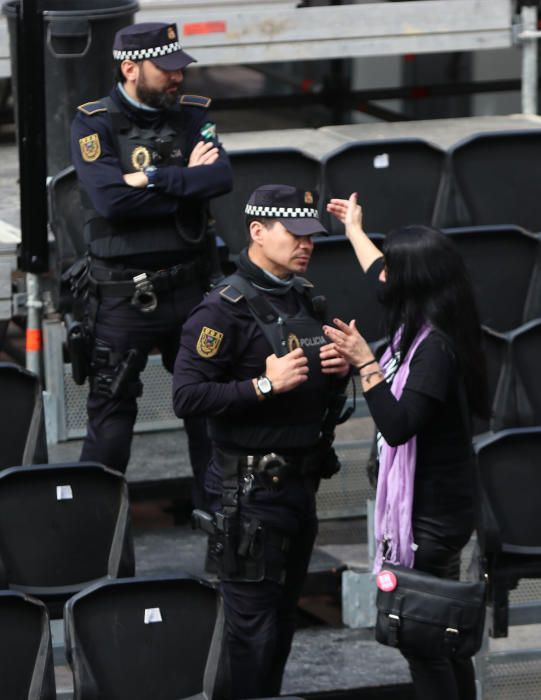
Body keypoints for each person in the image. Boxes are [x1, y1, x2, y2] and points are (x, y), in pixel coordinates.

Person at [173, 184, 350, 699]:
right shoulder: (221, 310)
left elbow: (313, 389)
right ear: (256, 232)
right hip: (248, 494)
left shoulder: (304, 299)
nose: (305, 244)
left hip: (299, 485)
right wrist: (262, 385)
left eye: (310, 235)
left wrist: (337, 372)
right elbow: (186, 396)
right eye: (293, 234)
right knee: (252, 635)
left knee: (280, 629)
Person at [324, 194, 489, 700]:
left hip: (433, 517)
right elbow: (378, 267)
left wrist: (364, 362)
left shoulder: (434, 348)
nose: (381, 276)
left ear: (410, 283)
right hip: (432, 508)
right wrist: (354, 227)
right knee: (440, 641)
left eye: (392, 269)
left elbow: (398, 426)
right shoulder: (418, 319)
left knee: (424, 639)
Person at [69, 22, 232, 508]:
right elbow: (112, 202)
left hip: (192, 290)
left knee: (209, 420)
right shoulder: (93, 122)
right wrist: (185, 181)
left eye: (180, 69)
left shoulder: (194, 115)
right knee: (111, 426)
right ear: (130, 68)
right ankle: (87, 538)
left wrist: (151, 177)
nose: (178, 79)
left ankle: (220, 542)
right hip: (123, 297)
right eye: (167, 71)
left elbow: (221, 177)